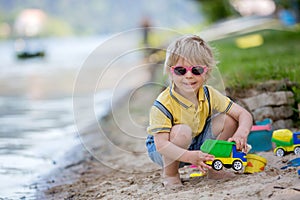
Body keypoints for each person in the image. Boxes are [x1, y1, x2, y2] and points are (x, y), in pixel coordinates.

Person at [146, 34, 253, 187]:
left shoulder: (208, 94)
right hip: (165, 150)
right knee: (182, 131)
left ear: (206, 72)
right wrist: (189, 156)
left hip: (197, 142)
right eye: (180, 70)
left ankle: (213, 169)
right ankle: (170, 174)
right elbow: (162, 144)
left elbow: (243, 114)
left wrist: (241, 133)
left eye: (196, 70)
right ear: (171, 72)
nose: (189, 76)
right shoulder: (163, 104)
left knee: (228, 120)